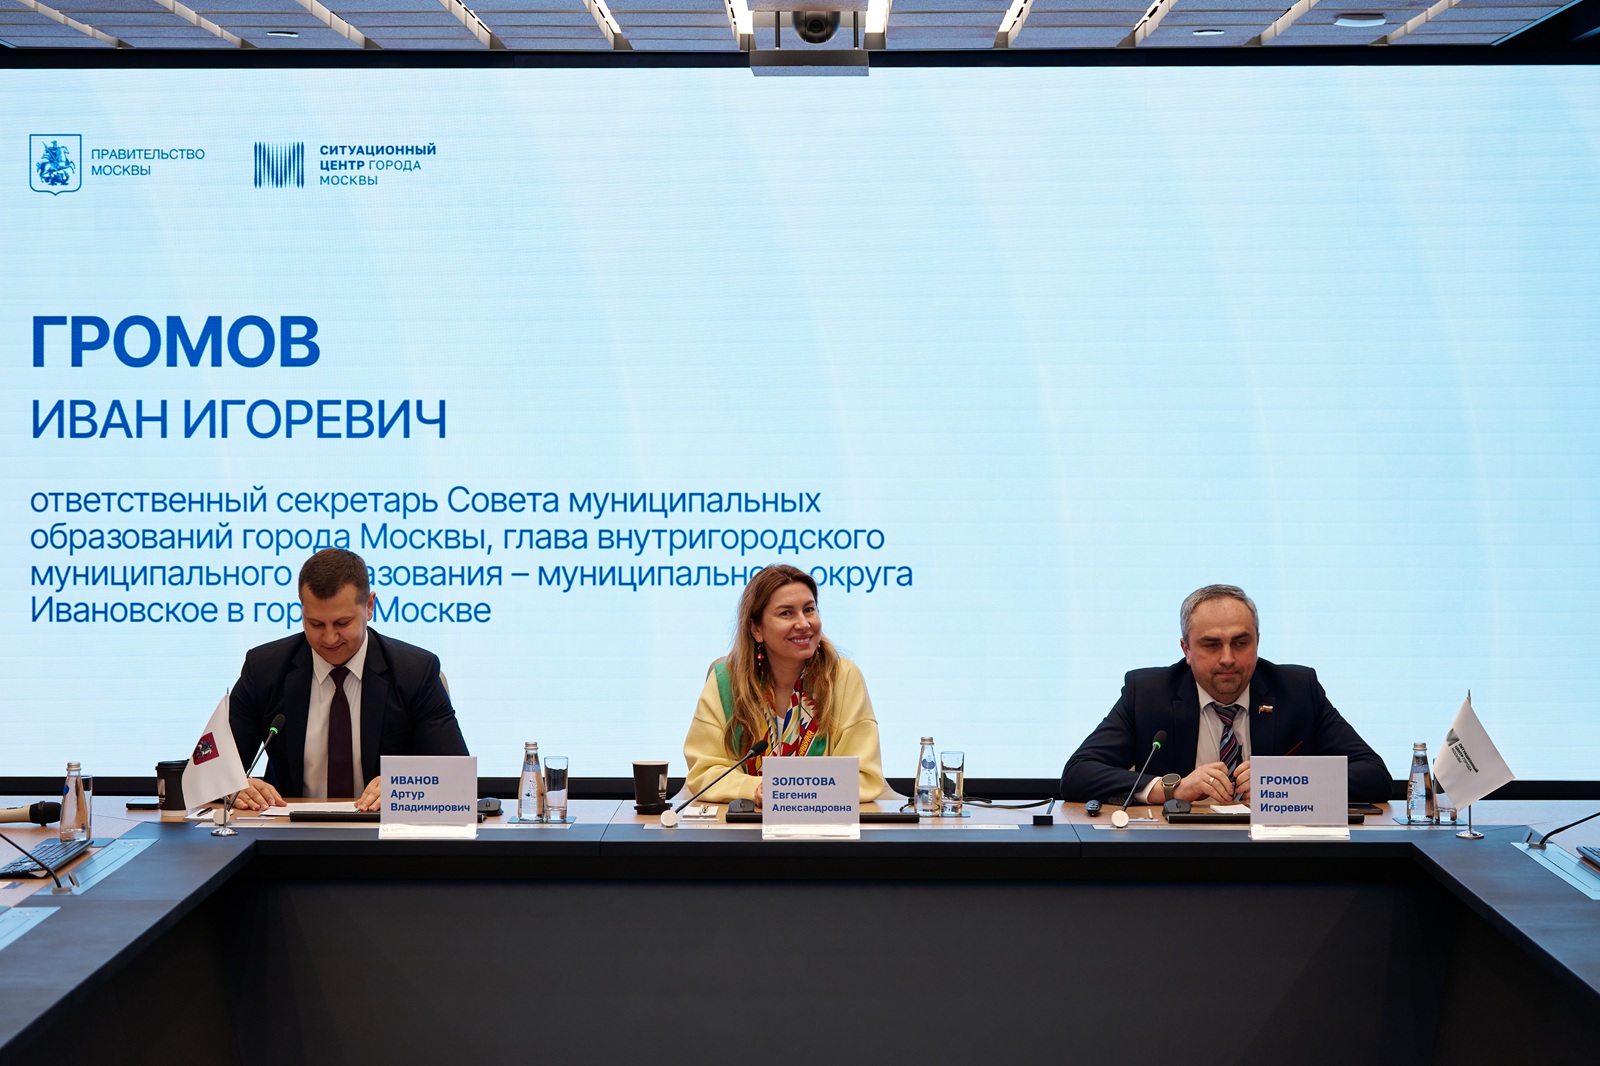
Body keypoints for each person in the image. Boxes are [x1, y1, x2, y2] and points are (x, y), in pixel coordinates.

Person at [1060, 584, 1390, 805]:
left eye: (1241, 643)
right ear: (1186, 649)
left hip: (1279, 856)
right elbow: (1078, 773)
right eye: (1211, 645)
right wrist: (1172, 789)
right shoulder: (1148, 693)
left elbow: (1374, 775)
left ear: (1257, 642)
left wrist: (1284, 783)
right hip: (1176, 853)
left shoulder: (1297, 690)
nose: (1228, 658)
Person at [228, 548, 468, 812]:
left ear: (370, 606)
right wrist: (233, 785)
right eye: (316, 624)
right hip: (288, 829)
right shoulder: (265, 669)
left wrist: (405, 784)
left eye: (342, 623)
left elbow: (457, 777)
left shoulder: (414, 672)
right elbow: (211, 769)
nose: (330, 638)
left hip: (382, 829)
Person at [682, 564, 885, 806]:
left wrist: (787, 791)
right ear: (756, 629)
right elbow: (704, 772)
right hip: (744, 825)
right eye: (786, 613)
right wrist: (755, 789)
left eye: (809, 610)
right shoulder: (726, 682)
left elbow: (863, 776)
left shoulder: (842, 678)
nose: (803, 623)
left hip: (823, 824)